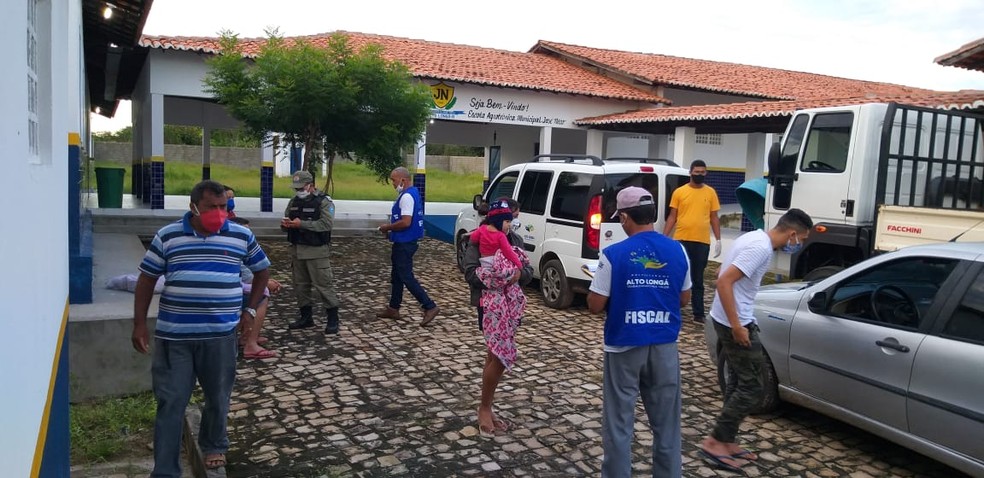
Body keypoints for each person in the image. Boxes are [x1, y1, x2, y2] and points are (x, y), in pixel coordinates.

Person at [131, 180, 270, 475]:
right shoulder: (168, 236)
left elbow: (262, 270)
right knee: (171, 402)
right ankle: (166, 470)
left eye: (223, 207)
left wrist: (249, 309)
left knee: (218, 396)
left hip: (220, 336)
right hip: (174, 337)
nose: (219, 213)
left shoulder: (240, 235)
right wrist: (139, 323)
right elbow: (146, 280)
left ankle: (214, 445)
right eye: (212, 207)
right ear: (194, 207)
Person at [586, 186, 692, 478]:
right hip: (664, 346)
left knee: (619, 425)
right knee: (667, 425)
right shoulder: (678, 249)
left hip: (624, 346)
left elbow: (596, 305)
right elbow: (684, 298)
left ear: (624, 218)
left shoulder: (613, 255)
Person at [698, 208, 813, 473]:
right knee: (753, 387)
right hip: (735, 323)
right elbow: (724, 282)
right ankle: (715, 441)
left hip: (729, 318)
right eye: (802, 239)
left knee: (739, 382)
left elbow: (720, 274)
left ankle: (726, 440)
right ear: (792, 233)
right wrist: (738, 326)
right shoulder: (760, 248)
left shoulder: (750, 238)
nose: (799, 245)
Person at [463, 198, 532, 436]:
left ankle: (487, 407)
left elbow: (528, 271)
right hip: (490, 304)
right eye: (509, 219)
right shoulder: (479, 237)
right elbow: (470, 272)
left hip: (511, 305)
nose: (511, 223)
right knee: (499, 356)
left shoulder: (514, 240)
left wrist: (517, 275)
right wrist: (498, 277)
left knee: (494, 355)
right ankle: (484, 408)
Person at [376, 167, 440, 326]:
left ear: (403, 180)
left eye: (393, 180)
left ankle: (429, 306)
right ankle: (393, 307)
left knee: (406, 276)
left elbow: (406, 222)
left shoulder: (406, 197)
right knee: (396, 276)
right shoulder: (413, 193)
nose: (392, 183)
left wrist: (387, 227)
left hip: (405, 242)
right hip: (404, 241)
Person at [281, 170, 342, 334]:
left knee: (324, 285)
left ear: (311, 186)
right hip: (297, 250)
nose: (298, 191)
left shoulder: (324, 202)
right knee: (300, 286)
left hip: (316, 251)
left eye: (301, 187)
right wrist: (285, 224)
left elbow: (326, 225)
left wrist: (302, 225)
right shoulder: (293, 201)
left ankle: (332, 319)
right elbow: (287, 218)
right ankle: (306, 317)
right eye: (296, 188)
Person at [663, 159, 721, 323]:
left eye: (702, 172)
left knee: (698, 278)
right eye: (697, 172)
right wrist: (664, 236)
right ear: (690, 173)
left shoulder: (710, 193)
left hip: (701, 241)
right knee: (676, 274)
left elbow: (714, 218)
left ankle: (698, 313)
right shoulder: (680, 192)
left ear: (706, 173)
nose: (699, 175)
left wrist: (718, 239)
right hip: (681, 239)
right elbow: (672, 216)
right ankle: (672, 307)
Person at [229, 217, 282, 359]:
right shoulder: (237, 247)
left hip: (235, 287)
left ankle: (248, 336)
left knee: (260, 290)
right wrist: (268, 284)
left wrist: (267, 281)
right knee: (262, 295)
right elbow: (251, 278)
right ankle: (250, 342)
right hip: (229, 292)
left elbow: (258, 272)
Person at [469, 202, 525, 269]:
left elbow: (473, 239)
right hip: (497, 263)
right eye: (507, 221)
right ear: (498, 221)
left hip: (483, 262)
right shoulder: (500, 236)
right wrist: (519, 265)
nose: (509, 225)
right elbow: (508, 251)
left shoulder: (482, 229)